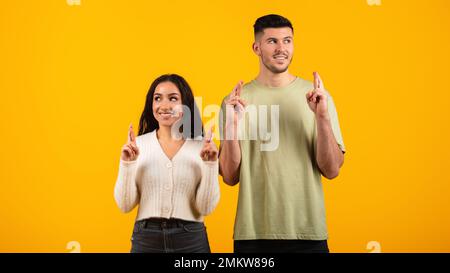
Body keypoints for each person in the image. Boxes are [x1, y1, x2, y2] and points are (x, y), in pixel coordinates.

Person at [219, 14, 346, 253]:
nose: (281, 48)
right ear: (256, 47)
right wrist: (231, 127)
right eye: (272, 42)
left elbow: (332, 170)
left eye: (287, 41)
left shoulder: (317, 97)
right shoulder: (234, 101)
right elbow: (229, 176)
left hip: (308, 233)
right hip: (253, 236)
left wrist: (322, 117)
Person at [114, 74, 220, 253]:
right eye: (157, 98)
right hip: (146, 238)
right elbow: (125, 205)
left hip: (191, 239)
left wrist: (210, 165)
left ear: (185, 104)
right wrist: (127, 164)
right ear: (151, 104)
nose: (164, 106)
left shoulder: (203, 147)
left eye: (173, 98)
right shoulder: (137, 145)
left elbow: (206, 208)